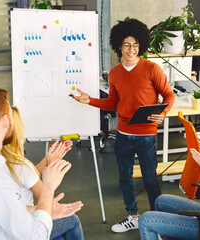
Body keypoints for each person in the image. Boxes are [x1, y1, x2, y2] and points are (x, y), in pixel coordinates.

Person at [72, 17, 175, 233]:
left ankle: (160, 220)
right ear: (119, 46)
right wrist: (89, 100)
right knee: (124, 178)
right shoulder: (115, 73)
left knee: (150, 180)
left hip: (146, 135)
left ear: (141, 46)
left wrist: (163, 113)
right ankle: (133, 216)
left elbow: (168, 96)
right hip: (123, 134)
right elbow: (112, 103)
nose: (131, 49)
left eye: (136, 44)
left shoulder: (152, 69)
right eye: (127, 44)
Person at [0, 85, 83, 239]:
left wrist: (42, 210)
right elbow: (37, 236)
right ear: (6, 121)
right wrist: (48, 187)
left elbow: (0, 208)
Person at [1, 106, 84, 239]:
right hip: (27, 228)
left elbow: (27, 176)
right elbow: (47, 200)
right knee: (73, 220)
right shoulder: (22, 166)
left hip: (7, 225)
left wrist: (47, 160)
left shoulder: (1, 158)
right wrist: (52, 170)